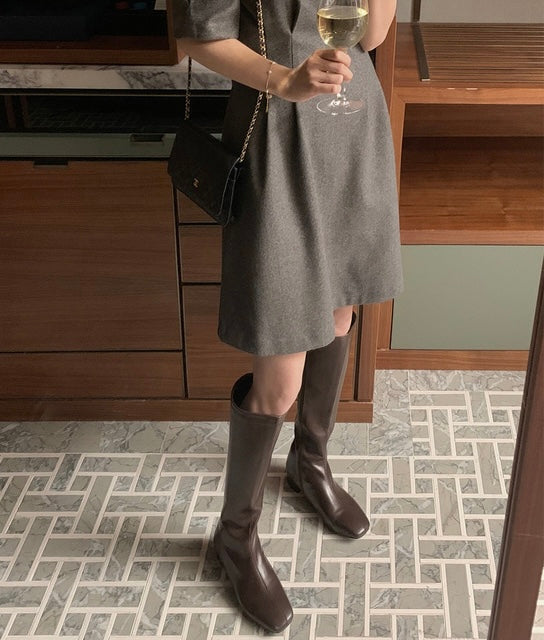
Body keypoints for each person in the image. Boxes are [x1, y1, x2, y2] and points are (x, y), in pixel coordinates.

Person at [172, 0, 403, 633]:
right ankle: (236, 535)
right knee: (280, 375)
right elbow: (196, 37)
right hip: (276, 130)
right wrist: (285, 80)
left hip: (352, 127)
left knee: (340, 312)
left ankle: (310, 461)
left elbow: (372, 36)